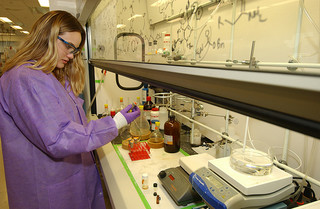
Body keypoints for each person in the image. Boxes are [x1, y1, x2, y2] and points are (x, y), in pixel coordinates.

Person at [0, 10, 140, 209]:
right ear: (47, 37)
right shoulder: (27, 78)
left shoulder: (51, 76)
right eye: (68, 46)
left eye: (75, 50)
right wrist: (116, 122)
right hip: (49, 190)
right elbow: (59, 137)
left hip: (67, 179)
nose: (72, 55)